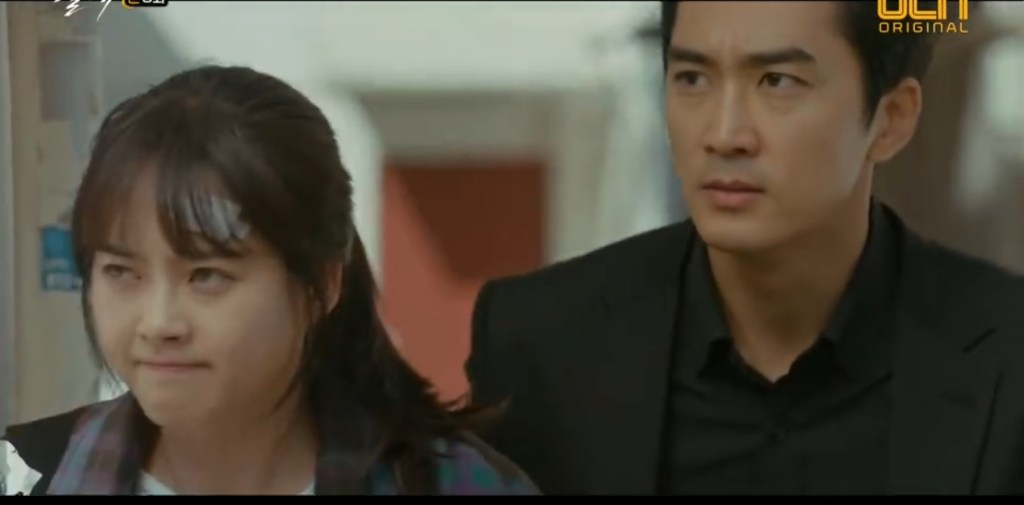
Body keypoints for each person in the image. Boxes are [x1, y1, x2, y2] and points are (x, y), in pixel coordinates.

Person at [465, 0, 1024, 495]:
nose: (724, 134)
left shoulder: (1006, 358)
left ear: (891, 119)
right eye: (692, 79)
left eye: (777, 81)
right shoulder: (540, 346)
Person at [2, 65, 538, 496]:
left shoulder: (451, 485)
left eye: (206, 276)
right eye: (122, 272)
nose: (159, 323)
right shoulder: (26, 476)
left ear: (323, 284)